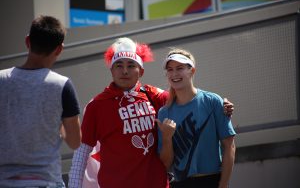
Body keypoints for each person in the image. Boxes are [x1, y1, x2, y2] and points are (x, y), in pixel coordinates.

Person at [68, 37, 234, 188]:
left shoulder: (155, 95)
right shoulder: (96, 105)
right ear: (111, 70)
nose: (125, 71)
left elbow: (189, 100)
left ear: (141, 71)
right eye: (119, 65)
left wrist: (223, 105)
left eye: (131, 65)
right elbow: (81, 154)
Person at [0, 15, 82, 188]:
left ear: (27, 41)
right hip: (46, 182)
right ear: (59, 49)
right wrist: (56, 121)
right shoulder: (62, 86)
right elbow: (75, 142)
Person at [157, 48, 236, 188]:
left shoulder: (213, 101)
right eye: (170, 69)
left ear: (192, 70)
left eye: (179, 68)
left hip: (212, 180)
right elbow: (165, 163)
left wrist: (223, 184)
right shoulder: (164, 113)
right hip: (180, 183)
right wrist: (167, 138)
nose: (174, 74)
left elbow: (229, 145)